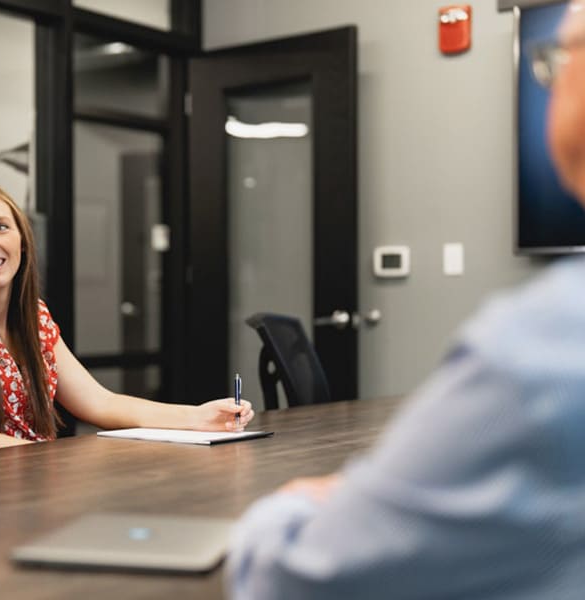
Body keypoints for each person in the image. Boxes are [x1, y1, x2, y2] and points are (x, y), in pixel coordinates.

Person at [227, 2, 585, 598]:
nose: (554, 81)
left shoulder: (541, 350)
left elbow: (298, 579)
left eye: (564, 58)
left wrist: (289, 508)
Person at [0, 181, 253, 450]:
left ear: (22, 239)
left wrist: (197, 417)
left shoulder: (33, 317)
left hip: (36, 483)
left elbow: (100, 402)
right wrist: (51, 460)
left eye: (0, 227)